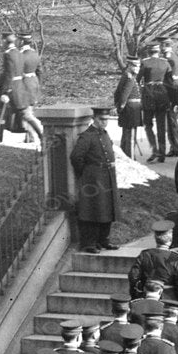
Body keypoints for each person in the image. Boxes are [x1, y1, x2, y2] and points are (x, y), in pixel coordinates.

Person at [70, 106, 120, 251]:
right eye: (102, 119)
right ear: (94, 119)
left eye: (106, 119)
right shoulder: (87, 136)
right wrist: (86, 173)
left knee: (107, 209)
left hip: (108, 176)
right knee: (93, 209)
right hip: (94, 178)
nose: (105, 122)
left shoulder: (104, 134)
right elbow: (76, 157)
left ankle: (103, 240)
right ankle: (89, 243)